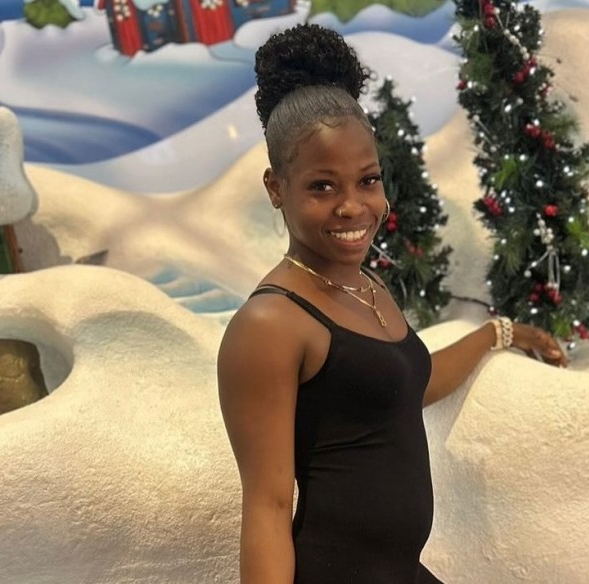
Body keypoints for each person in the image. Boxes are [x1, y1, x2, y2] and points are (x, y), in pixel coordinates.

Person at [216, 23, 567, 584]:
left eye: (368, 180)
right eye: (322, 186)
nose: (352, 207)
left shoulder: (367, 286)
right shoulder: (270, 323)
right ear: (277, 188)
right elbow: (267, 508)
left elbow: (407, 385)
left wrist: (498, 334)